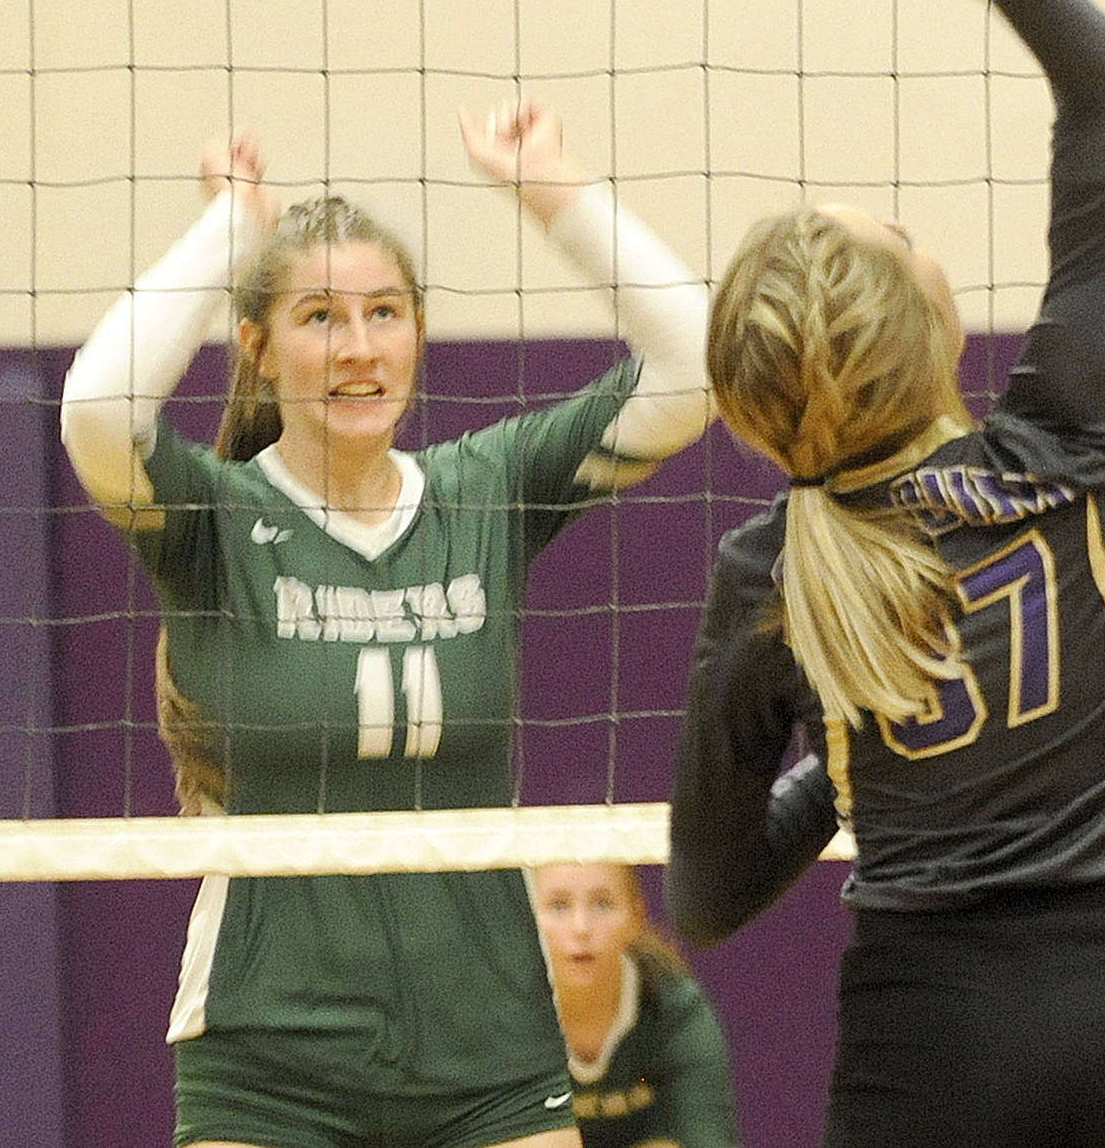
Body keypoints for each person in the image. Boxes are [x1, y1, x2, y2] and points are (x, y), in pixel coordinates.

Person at [664, 0, 1105, 1148]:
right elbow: (1096, 72)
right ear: (929, 328)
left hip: (925, 1029)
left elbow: (703, 894)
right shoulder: (1067, 430)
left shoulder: (767, 571)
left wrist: (850, 760)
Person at [59, 99, 710, 1148]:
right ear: (260, 349)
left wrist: (545, 187)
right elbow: (95, 409)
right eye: (318, 317)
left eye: (385, 313)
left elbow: (698, 363)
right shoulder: (211, 518)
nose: (358, 347)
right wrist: (231, 230)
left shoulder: (486, 488)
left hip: (491, 1050)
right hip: (269, 1058)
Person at [532, 860, 739, 1148]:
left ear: (636, 917)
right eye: (558, 905)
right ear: (526, 918)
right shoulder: (505, 1016)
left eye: (602, 904)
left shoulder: (677, 1012)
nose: (581, 928)